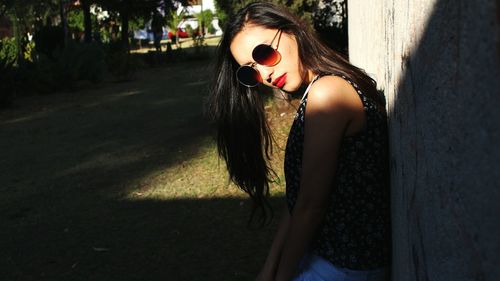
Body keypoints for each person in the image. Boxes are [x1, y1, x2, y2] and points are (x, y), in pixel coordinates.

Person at [208, 2, 391, 281]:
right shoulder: (318, 91)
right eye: (250, 71)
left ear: (292, 31)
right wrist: (268, 270)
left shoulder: (327, 94)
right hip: (326, 253)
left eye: (264, 53)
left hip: (348, 265)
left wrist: (281, 276)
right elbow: (299, 200)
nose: (265, 74)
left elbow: (310, 206)